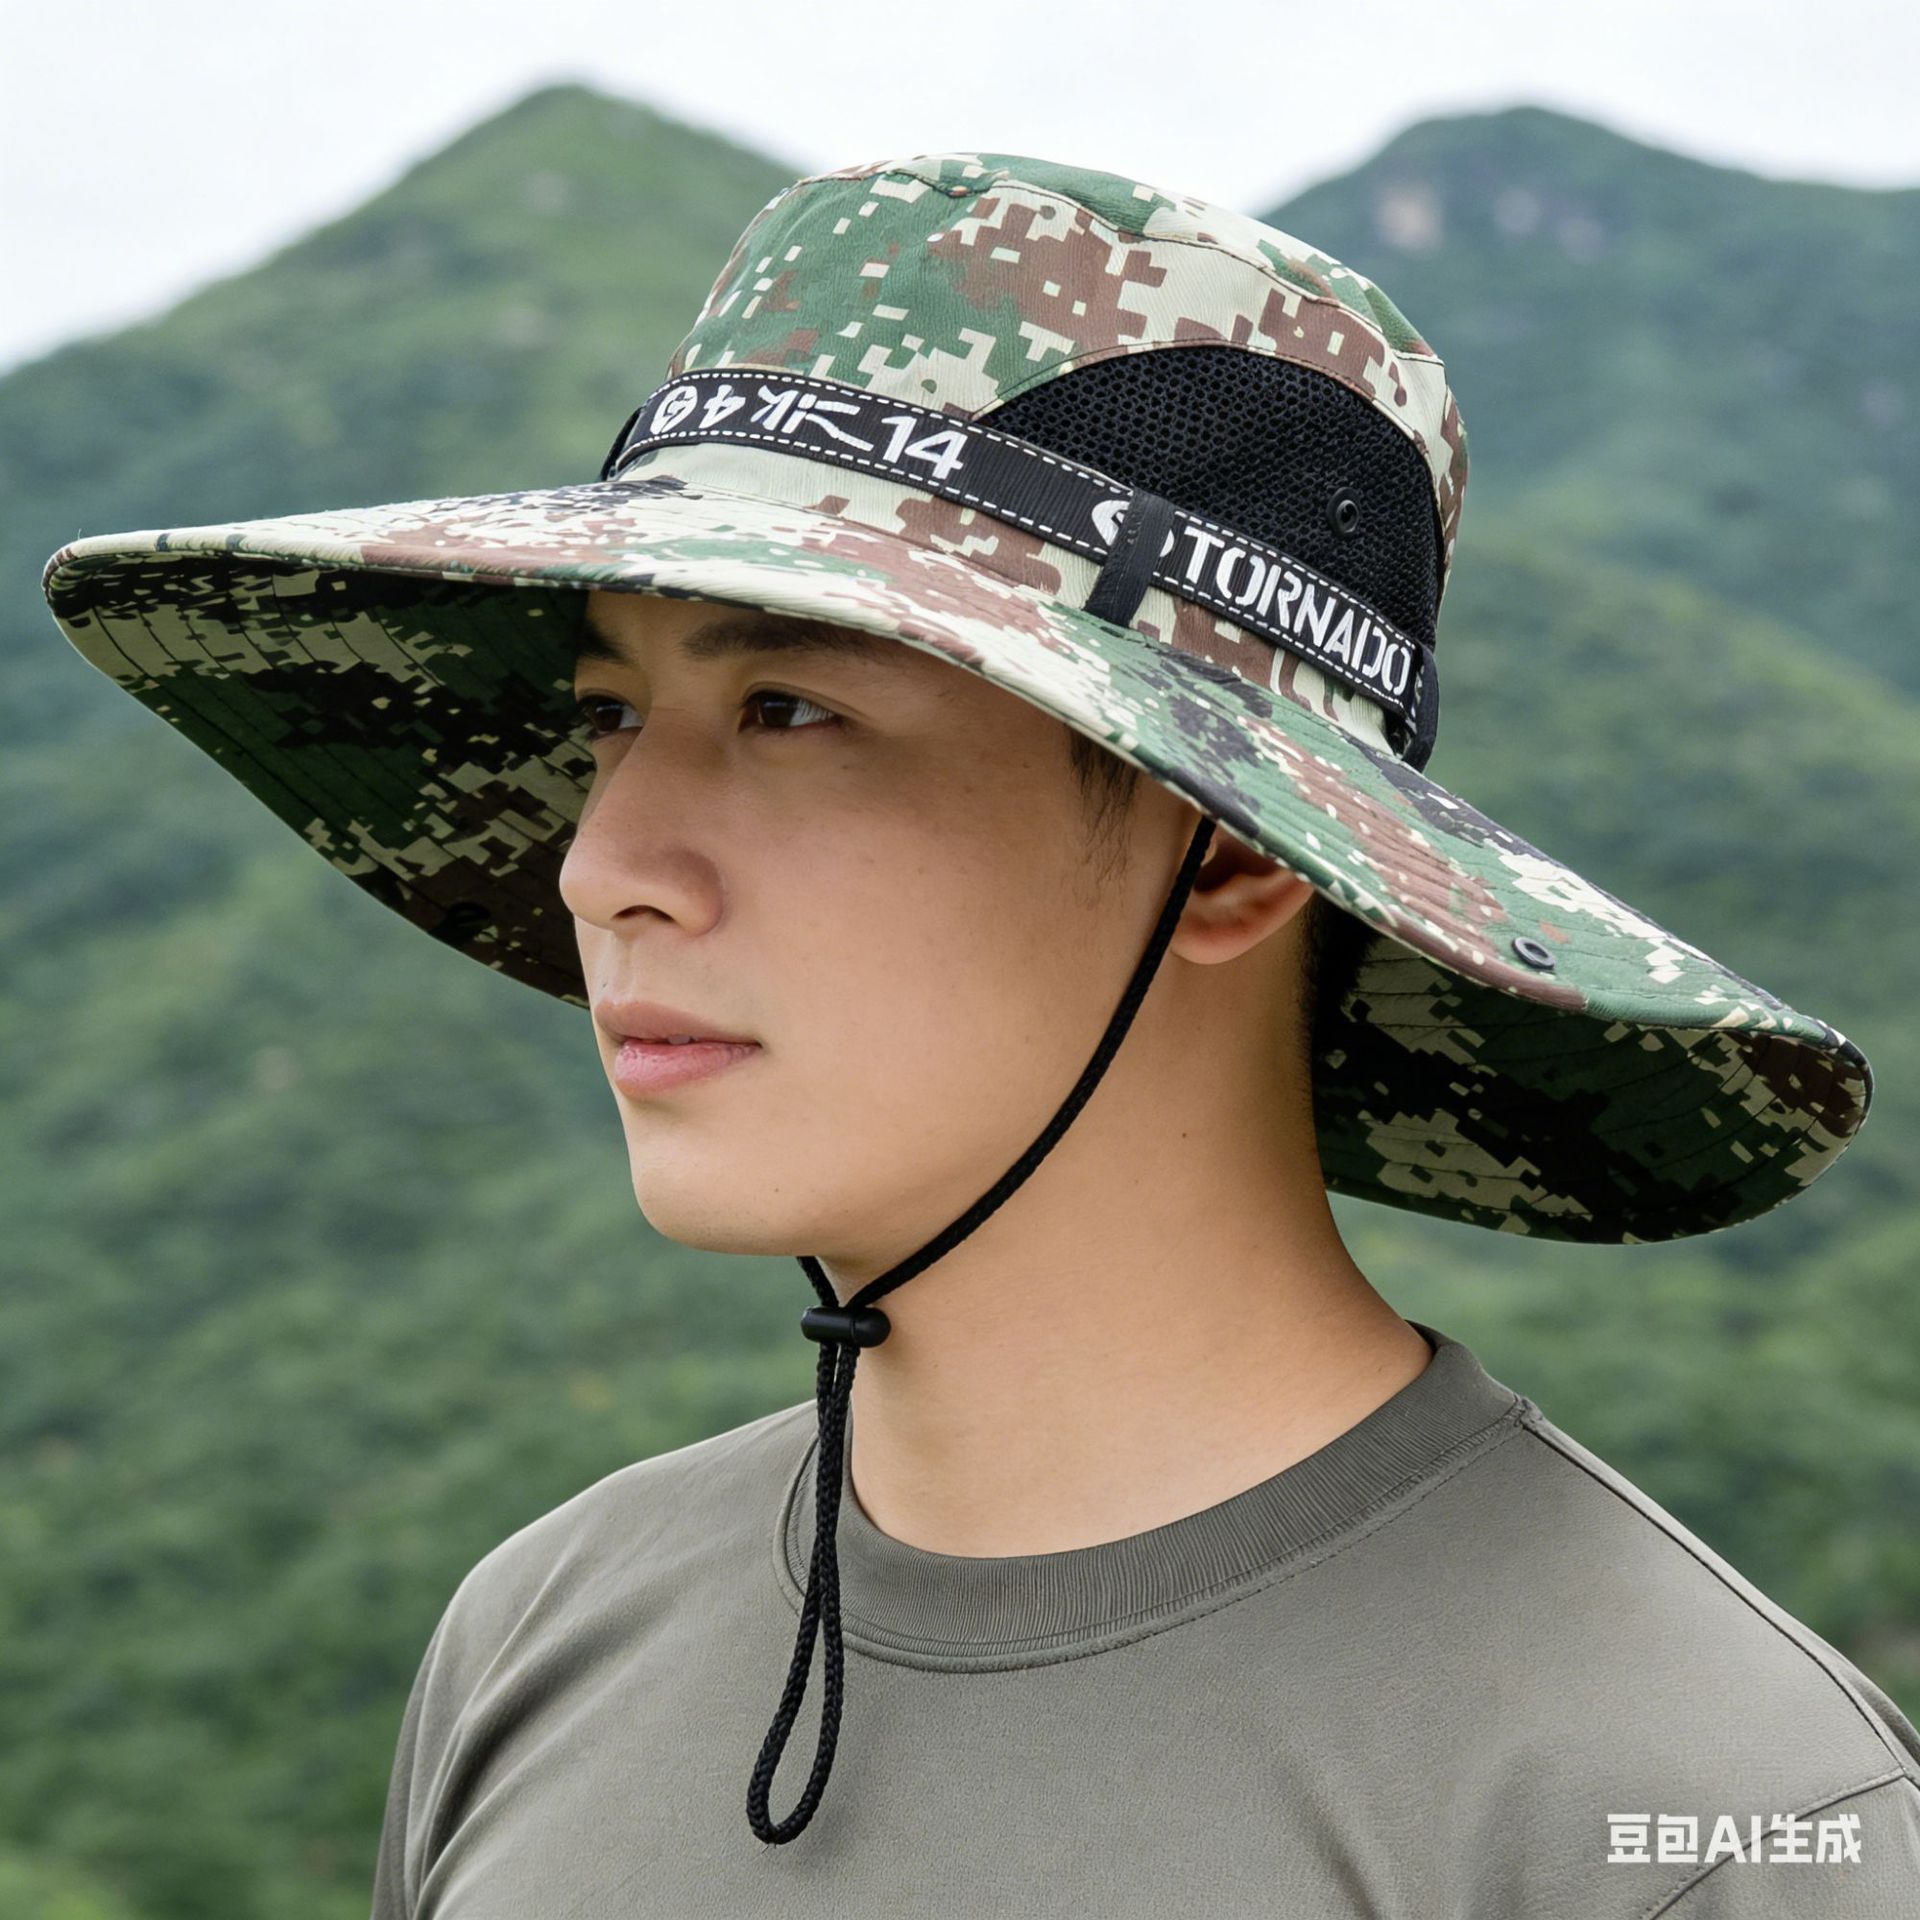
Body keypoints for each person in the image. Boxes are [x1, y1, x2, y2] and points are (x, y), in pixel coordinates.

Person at [40, 148, 1919, 1914]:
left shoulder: (1683, 1806)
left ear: (1228, 856)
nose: (603, 865)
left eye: (790, 711)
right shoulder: (543, 1637)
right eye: (611, 714)